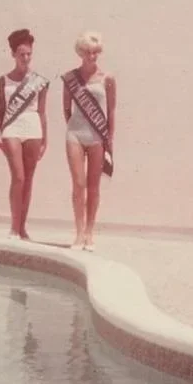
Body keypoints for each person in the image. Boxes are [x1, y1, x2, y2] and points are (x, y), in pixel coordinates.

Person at [61, 31, 117, 251]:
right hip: (75, 133)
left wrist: (109, 137)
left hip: (97, 136)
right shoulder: (70, 78)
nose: (92, 56)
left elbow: (111, 111)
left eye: (95, 52)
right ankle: (78, 233)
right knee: (78, 184)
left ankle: (89, 233)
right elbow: (66, 109)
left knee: (93, 187)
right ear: (80, 53)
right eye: (87, 52)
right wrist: (75, 125)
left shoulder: (107, 78)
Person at [0, 29, 50, 240]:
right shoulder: (4, 80)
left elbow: (42, 111)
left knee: (28, 179)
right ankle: (13, 226)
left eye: (29, 54)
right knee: (18, 177)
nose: (26, 58)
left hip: (33, 127)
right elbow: (0, 111)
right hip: (12, 127)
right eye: (21, 54)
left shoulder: (39, 81)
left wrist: (45, 139)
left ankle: (22, 227)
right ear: (13, 54)